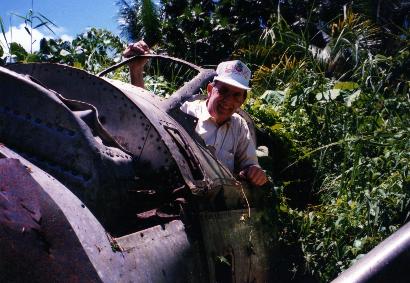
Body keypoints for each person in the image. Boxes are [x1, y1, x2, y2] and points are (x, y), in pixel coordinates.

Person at [123, 41, 267, 186]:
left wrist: (253, 171)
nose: (228, 100)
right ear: (210, 90)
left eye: (236, 95)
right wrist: (136, 70)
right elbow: (149, 120)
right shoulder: (185, 110)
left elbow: (249, 165)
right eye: (223, 91)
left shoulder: (239, 125)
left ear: (242, 100)